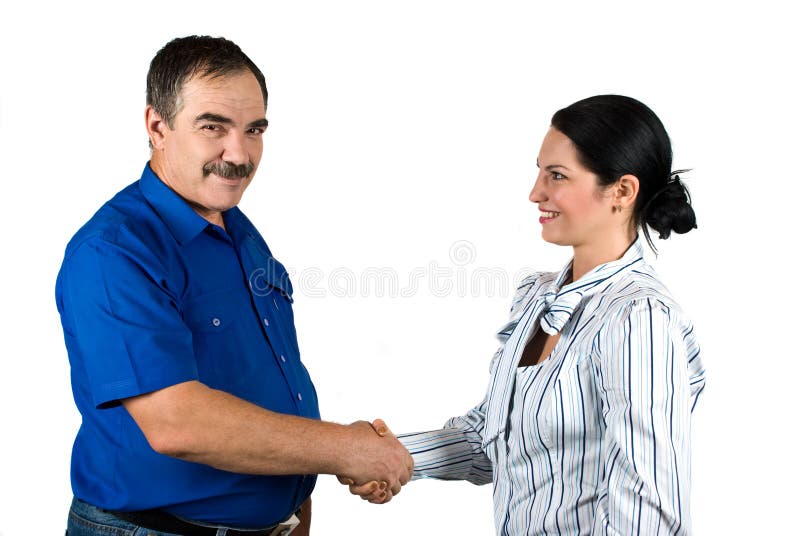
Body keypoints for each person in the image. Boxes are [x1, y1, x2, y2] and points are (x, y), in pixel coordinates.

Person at [56, 35, 413, 536]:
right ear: (157, 126)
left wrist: (293, 511)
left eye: (254, 129)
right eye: (213, 127)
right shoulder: (114, 252)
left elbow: (269, 386)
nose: (239, 153)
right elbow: (177, 422)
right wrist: (346, 449)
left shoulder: (238, 231)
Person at [346, 95, 706, 534]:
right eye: (539, 171)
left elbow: (651, 512)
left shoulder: (638, 317)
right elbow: (489, 441)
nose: (535, 193)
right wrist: (388, 455)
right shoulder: (537, 296)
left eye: (557, 175)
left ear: (622, 191)